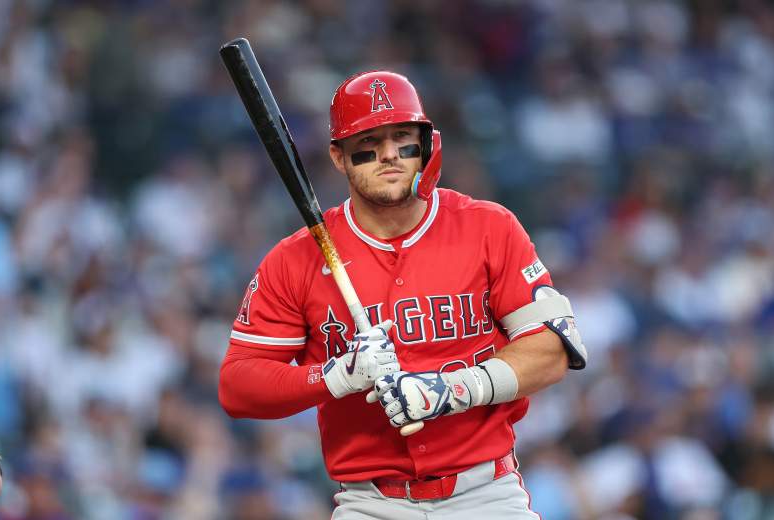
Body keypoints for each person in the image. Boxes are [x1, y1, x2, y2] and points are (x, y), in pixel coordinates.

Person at [219, 71, 587, 519]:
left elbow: (552, 351)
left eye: (402, 137)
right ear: (339, 157)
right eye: (369, 141)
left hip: (486, 492)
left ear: (426, 144)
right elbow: (238, 386)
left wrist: (452, 390)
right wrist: (335, 375)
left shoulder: (489, 227)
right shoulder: (295, 258)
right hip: (370, 502)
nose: (390, 153)